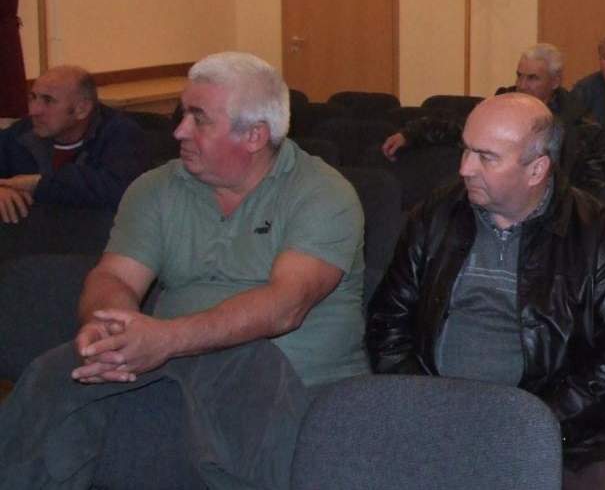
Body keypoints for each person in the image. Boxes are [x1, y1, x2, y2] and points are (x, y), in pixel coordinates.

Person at [0, 52, 367, 488]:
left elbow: (284, 307)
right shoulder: (156, 188)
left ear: (254, 135)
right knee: (53, 377)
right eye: (182, 114)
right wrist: (111, 329)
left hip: (291, 383)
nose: (178, 130)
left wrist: (168, 340)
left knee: (219, 392)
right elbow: (114, 277)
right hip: (175, 371)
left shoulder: (322, 193)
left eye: (199, 119)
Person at [366, 93, 605, 490]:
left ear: (537, 169)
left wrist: (532, 423)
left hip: (561, 427)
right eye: (466, 150)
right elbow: (388, 321)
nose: (465, 168)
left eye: (486, 157)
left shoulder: (598, 236)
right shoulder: (437, 214)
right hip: (434, 407)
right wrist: (425, 405)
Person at [380, 44, 590, 174]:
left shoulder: (577, 120)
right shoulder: (502, 104)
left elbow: (590, 180)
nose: (522, 85)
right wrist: (410, 134)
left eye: (533, 78)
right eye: (519, 76)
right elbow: (457, 126)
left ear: (555, 81)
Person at [0, 65, 149, 223]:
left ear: (82, 109)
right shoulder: (22, 132)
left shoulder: (120, 134)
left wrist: (41, 184)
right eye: (33, 97)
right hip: (34, 233)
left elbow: (122, 192)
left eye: (48, 100)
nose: (34, 111)